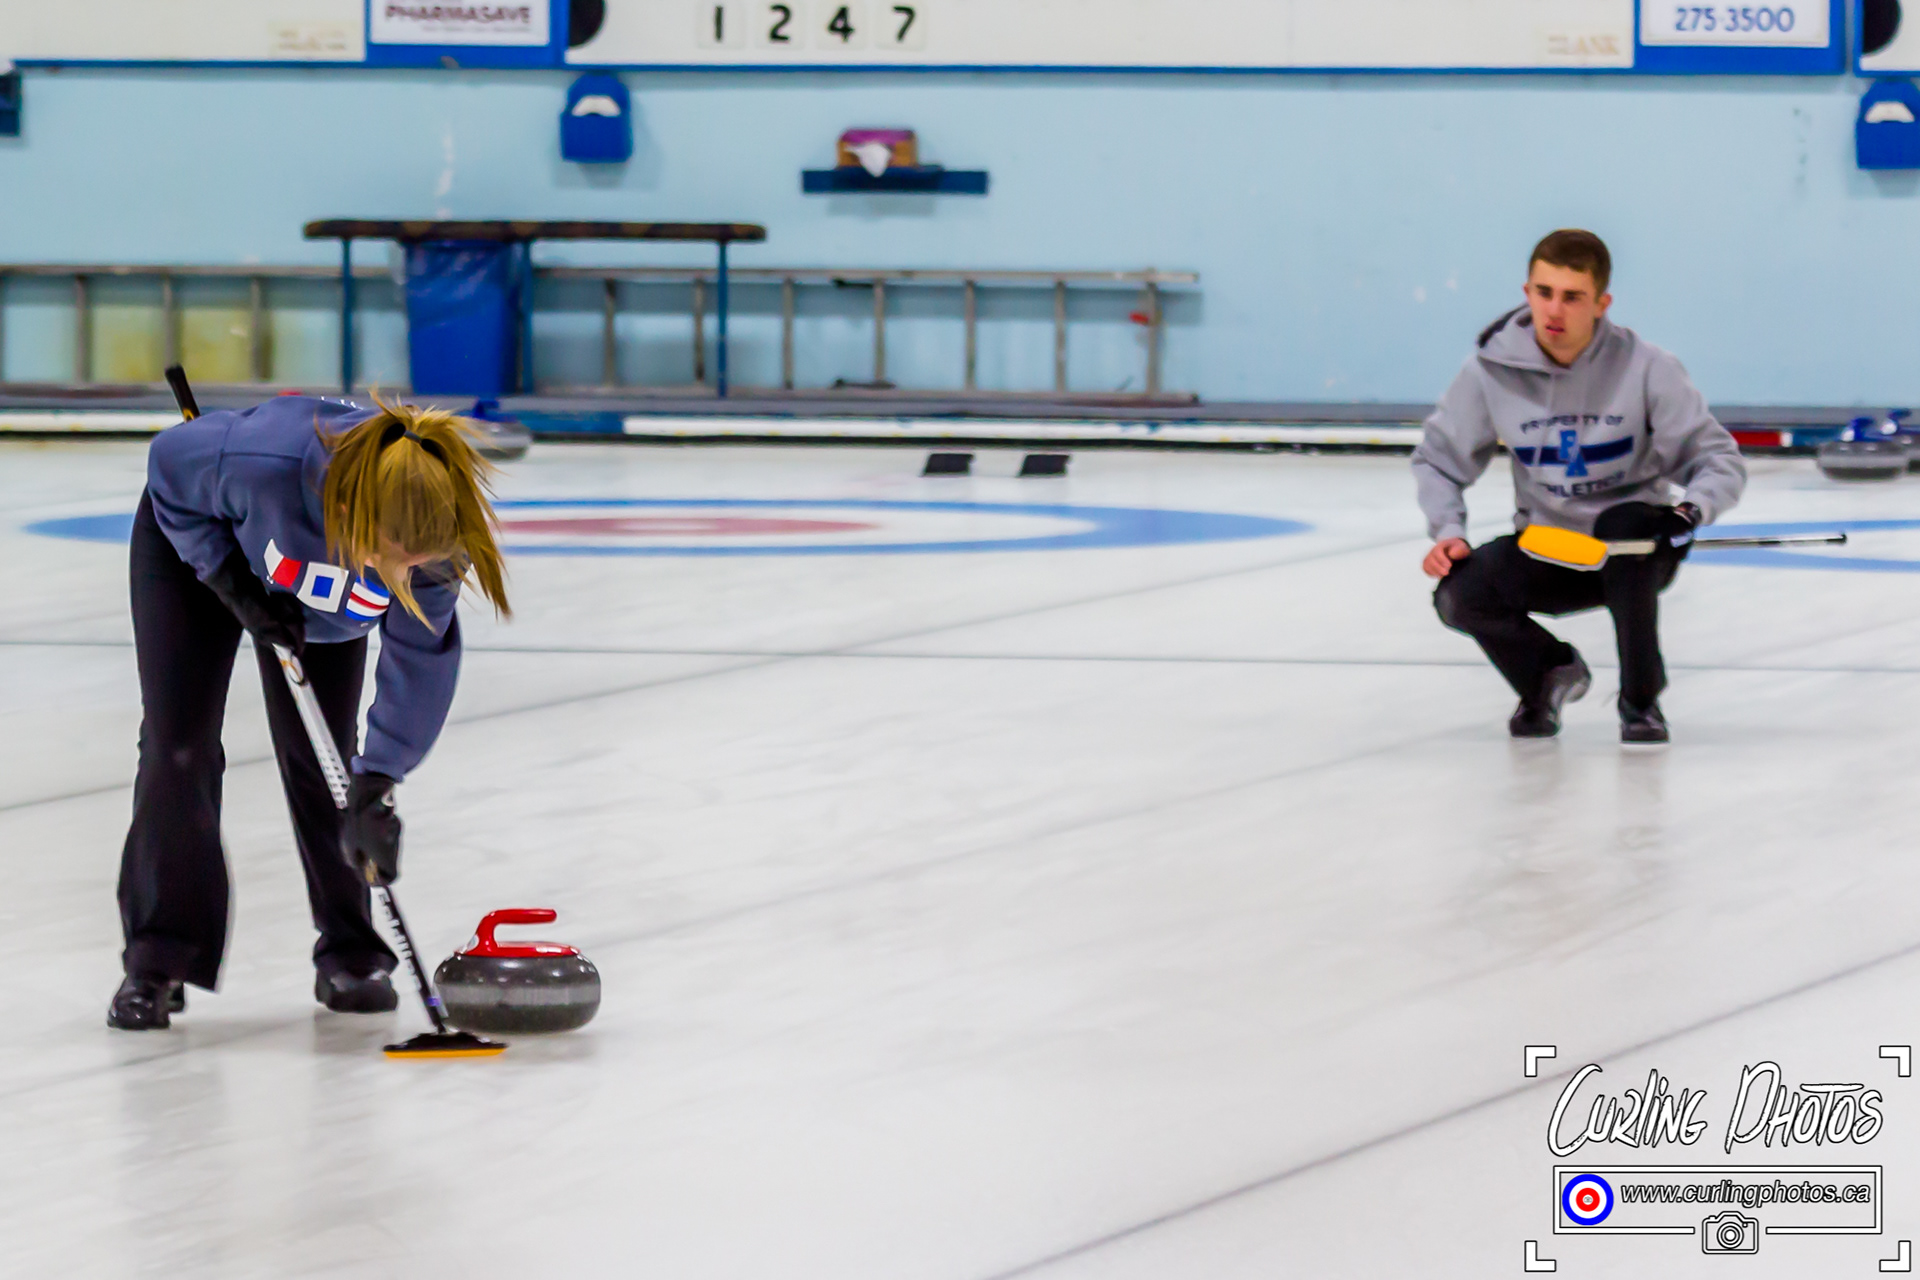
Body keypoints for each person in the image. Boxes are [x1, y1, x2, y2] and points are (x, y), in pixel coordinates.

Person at [110, 394, 511, 1030]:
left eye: (417, 563)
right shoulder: (259, 461)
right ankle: (158, 958)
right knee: (177, 746)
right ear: (350, 510)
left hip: (313, 595)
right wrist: (228, 581)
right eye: (395, 555)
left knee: (326, 756)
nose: (407, 574)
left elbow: (420, 665)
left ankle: (351, 954)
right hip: (198, 548)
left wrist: (380, 779)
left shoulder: (432, 546)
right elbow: (168, 463)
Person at [1412, 229, 1747, 744]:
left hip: (1636, 548)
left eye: (1572, 297)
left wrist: (1691, 511)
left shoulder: (1649, 368)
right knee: (1461, 594)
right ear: (1527, 293)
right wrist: (1448, 530)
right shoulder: (1490, 372)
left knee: (1624, 524)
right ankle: (1547, 674)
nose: (1555, 311)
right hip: (1552, 548)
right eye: (1544, 293)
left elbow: (1717, 459)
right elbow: (1438, 459)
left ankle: (1641, 701)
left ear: (1601, 304)